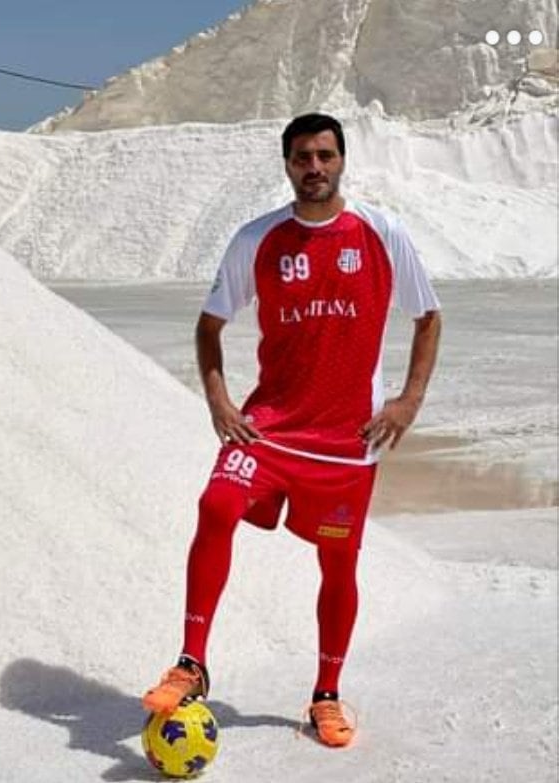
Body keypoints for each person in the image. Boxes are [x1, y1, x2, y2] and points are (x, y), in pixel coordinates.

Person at [141, 113, 442, 748]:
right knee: (216, 503)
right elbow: (209, 325)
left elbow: (428, 316)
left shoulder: (381, 232)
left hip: (345, 443)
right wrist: (220, 400)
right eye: (303, 157)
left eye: (326, 156)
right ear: (286, 164)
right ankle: (192, 663)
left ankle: (326, 696)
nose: (315, 167)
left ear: (342, 160)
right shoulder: (259, 239)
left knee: (338, 564)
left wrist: (407, 401)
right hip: (271, 429)